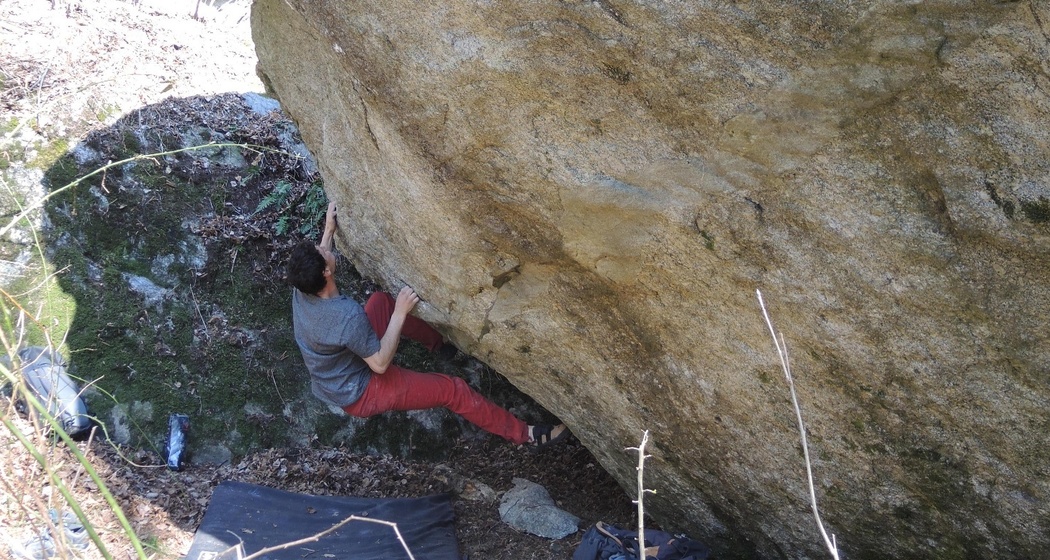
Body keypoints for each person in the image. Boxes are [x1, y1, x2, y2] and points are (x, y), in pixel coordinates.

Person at [287, 202, 568, 449]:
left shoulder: (304, 288)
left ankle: (440, 346)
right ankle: (526, 435)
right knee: (452, 390)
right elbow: (381, 364)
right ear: (326, 272)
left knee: (380, 302)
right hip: (361, 390)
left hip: (337, 372)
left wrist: (329, 230)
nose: (323, 249)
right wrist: (400, 312)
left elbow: (321, 258)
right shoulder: (344, 316)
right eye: (321, 252)